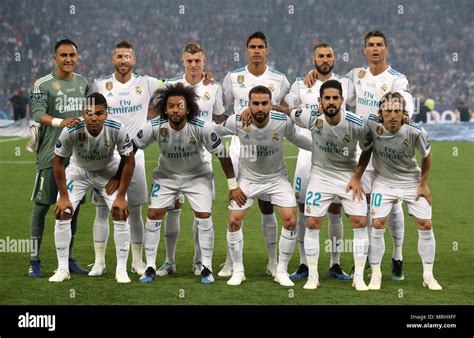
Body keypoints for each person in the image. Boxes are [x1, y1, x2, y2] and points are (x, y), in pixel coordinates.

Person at [306, 30, 413, 280]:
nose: (375, 49)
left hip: (388, 149)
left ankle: (397, 255)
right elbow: (333, 92)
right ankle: (363, 261)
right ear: (364, 50)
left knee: (393, 203)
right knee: (363, 205)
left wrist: (404, 111)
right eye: (370, 45)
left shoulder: (397, 79)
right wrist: (314, 76)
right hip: (363, 147)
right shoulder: (356, 75)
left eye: (379, 45)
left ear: (386, 49)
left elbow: (405, 99)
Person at [133, 83, 245, 284]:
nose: (175, 110)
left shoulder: (202, 126)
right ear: (165, 109)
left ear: (188, 108)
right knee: (153, 213)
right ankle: (150, 266)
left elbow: (222, 153)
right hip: (166, 176)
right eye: (171, 106)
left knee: (203, 216)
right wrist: (118, 176)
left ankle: (206, 267)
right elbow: (132, 148)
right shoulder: (155, 126)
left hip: (197, 176)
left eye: (180, 106)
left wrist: (232, 184)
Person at [276, 80, 372, 291]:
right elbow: (288, 110)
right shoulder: (311, 118)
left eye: (335, 98)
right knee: (311, 222)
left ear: (342, 100)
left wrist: (357, 176)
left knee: (359, 221)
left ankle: (358, 276)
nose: (331, 102)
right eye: (326, 98)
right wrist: (267, 107)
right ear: (319, 101)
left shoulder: (356, 123)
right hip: (320, 176)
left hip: (348, 176)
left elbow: (368, 148)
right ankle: (312, 275)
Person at [213, 85, 312, 286]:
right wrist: (232, 183)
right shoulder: (237, 121)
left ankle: (281, 270)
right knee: (233, 221)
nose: (260, 108)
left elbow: (298, 139)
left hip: (277, 179)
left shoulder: (282, 122)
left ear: (271, 105)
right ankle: (238, 270)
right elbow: (213, 133)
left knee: (291, 221)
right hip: (248, 180)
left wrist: (321, 149)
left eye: (264, 103)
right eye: (255, 103)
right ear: (248, 105)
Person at [88, 41, 164, 277]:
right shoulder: (100, 84)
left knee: (135, 210)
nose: (123, 60)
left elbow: (174, 87)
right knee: (102, 211)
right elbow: (89, 114)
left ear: (134, 60)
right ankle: (99, 262)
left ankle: (137, 261)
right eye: (119, 56)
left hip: (135, 157)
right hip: (105, 157)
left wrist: (203, 76)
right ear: (113, 60)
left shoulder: (148, 83)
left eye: (127, 56)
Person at [219, 31, 291, 278]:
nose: (257, 50)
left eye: (261, 46)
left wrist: (271, 107)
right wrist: (239, 117)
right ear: (247, 50)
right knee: (235, 201)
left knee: (267, 205)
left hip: (267, 146)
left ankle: (273, 262)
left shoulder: (280, 80)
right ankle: (230, 262)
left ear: (267, 50)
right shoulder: (232, 77)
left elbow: (288, 110)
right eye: (252, 46)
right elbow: (220, 112)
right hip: (241, 144)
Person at [49, 92, 135, 283]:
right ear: (82, 113)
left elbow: (129, 161)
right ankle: (62, 269)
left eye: (99, 113)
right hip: (78, 173)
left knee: (120, 212)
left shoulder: (117, 128)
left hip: (107, 172)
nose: (94, 118)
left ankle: (121, 270)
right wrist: (63, 196)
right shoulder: (71, 129)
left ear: (106, 114)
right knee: (63, 212)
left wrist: (121, 194)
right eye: (89, 113)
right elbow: (57, 162)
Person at [157, 42, 225, 278]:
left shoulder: (214, 88)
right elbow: (160, 118)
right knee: (171, 208)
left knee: (201, 212)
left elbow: (218, 117)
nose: (194, 65)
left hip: (201, 160)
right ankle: (169, 261)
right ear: (182, 61)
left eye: (198, 61)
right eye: (189, 61)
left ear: (204, 61)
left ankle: (199, 262)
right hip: (172, 158)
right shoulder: (170, 86)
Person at [283, 43, 351, 281]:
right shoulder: (301, 84)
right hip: (307, 153)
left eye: (329, 56)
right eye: (320, 56)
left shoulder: (346, 84)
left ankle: (335, 264)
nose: (325, 59)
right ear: (313, 59)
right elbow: (286, 109)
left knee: (334, 209)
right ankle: (303, 263)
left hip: (335, 155)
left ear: (334, 59)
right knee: (304, 209)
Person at [365, 92, 442, 291]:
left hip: (412, 181)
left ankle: (428, 276)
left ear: (404, 113)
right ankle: (376, 274)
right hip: (384, 182)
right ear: (381, 112)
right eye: (388, 111)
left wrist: (423, 183)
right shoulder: (371, 124)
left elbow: (427, 156)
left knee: (425, 224)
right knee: (377, 224)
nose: (392, 115)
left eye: (397, 111)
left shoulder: (415, 131)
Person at [28, 39, 89, 278]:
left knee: (71, 208)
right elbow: (37, 113)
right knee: (41, 208)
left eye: (72, 55)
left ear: (77, 57)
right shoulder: (43, 83)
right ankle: (34, 260)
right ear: (55, 58)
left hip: (77, 157)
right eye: (63, 55)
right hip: (49, 154)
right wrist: (59, 121)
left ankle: (68, 259)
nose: (68, 59)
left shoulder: (83, 82)